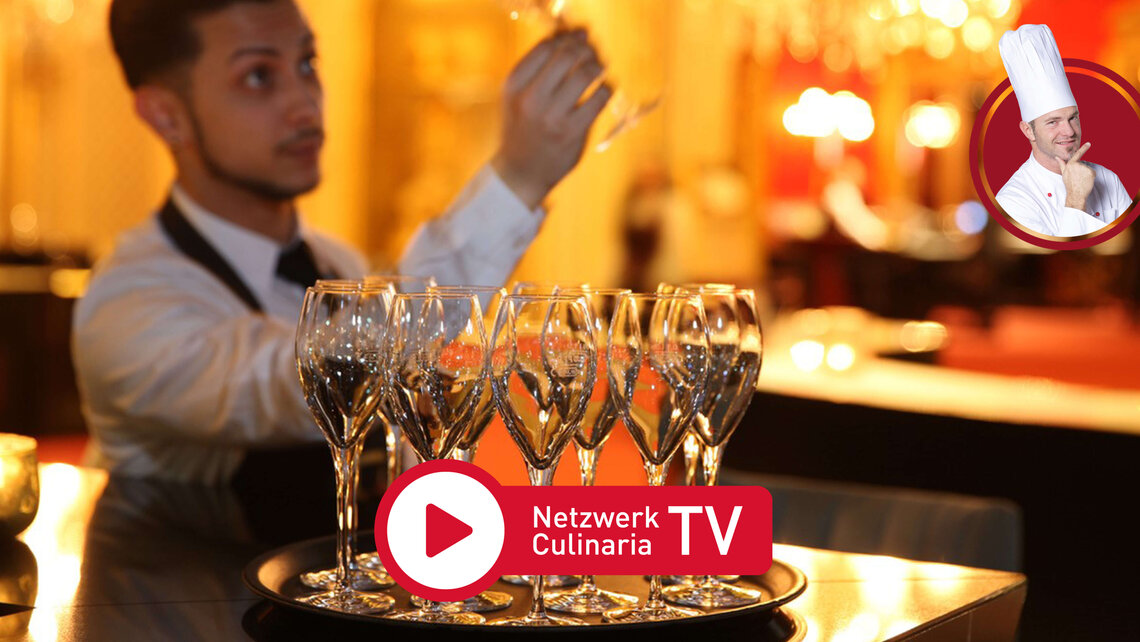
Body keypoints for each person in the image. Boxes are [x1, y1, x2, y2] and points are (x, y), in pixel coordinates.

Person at [73, 0, 612, 483]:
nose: (305, 103)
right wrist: (515, 181)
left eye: (307, 64)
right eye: (258, 76)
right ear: (166, 116)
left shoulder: (338, 261)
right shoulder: (126, 304)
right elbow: (300, 384)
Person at [995, 24, 1131, 238]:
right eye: (1053, 122)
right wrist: (1076, 198)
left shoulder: (1109, 179)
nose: (1069, 131)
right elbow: (1056, 258)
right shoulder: (1012, 200)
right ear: (1028, 130)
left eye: (1073, 118)